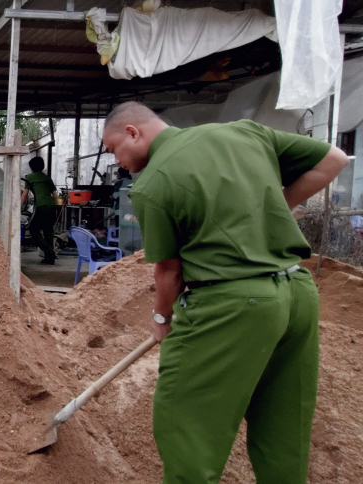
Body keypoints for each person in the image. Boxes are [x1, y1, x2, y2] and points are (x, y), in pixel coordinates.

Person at [101, 101, 349, 483]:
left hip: (233, 305)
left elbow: (169, 271)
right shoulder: (244, 132)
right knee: (283, 425)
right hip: (297, 295)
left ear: (133, 132)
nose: (116, 161)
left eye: (114, 148)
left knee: (187, 424)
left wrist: (161, 319)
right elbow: (334, 158)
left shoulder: (152, 184)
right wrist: (272, 209)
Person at [21, 156, 57, 265]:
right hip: (51, 205)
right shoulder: (47, 178)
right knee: (48, 232)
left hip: (40, 205)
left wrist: (17, 207)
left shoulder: (30, 177)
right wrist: (54, 208)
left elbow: (24, 194)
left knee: (33, 230)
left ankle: (49, 252)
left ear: (31, 167)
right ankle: (49, 259)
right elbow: (55, 196)